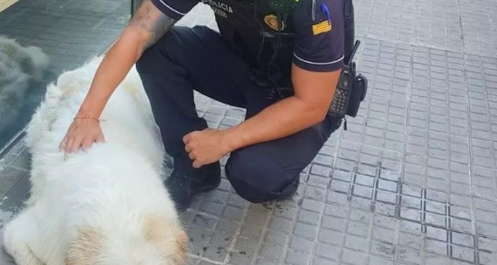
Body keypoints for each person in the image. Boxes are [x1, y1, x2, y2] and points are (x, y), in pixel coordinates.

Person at [60, 0, 355, 211]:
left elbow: (312, 104)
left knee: (255, 176)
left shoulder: (318, 6)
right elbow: (138, 31)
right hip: (248, 67)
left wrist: (225, 139)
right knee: (157, 50)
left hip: (301, 93)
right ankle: (194, 166)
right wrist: (87, 116)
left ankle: (283, 172)